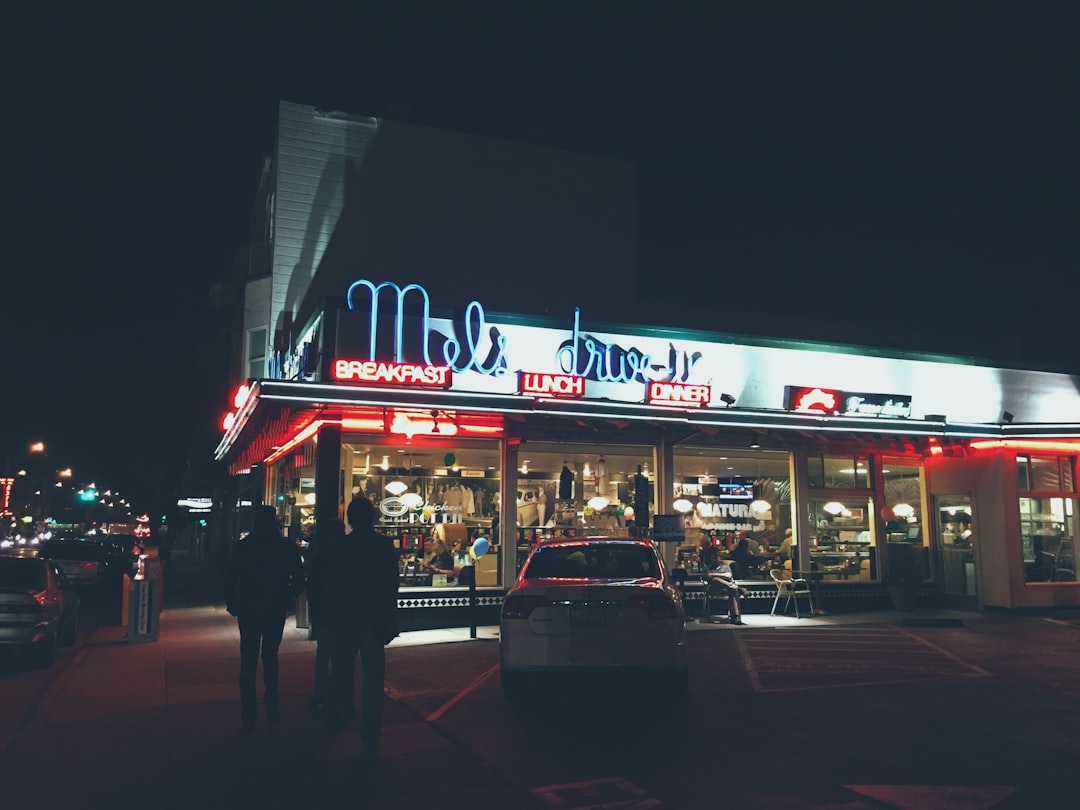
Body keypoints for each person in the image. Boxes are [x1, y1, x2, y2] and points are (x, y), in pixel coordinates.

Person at [315, 497, 400, 755]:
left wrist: (327, 617)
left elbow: (331, 585)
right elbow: (391, 585)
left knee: (341, 673)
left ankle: (332, 720)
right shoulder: (384, 546)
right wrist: (389, 617)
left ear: (350, 519)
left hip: (346, 619)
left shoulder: (340, 546)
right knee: (374, 679)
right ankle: (371, 732)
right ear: (372, 517)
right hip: (374, 619)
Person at [224, 506, 305, 734]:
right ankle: (271, 702)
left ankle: (249, 714)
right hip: (274, 608)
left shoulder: (244, 547)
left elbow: (230, 577)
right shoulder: (285, 547)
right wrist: (287, 596)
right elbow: (299, 579)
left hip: (249, 607)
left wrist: (233, 603)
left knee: (248, 660)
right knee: (270, 656)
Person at [303, 518, 344, 715]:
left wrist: (315, 606)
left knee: (324, 654)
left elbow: (313, 584)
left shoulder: (321, 554)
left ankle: (322, 693)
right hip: (345, 612)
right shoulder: (347, 552)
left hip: (325, 611)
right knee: (341, 656)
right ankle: (341, 697)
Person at [701, 545, 745, 625]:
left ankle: (736, 617)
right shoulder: (708, 568)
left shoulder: (726, 567)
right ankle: (737, 588)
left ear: (720, 559)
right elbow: (709, 576)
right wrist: (720, 576)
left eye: (716, 558)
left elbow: (729, 576)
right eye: (713, 558)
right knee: (716, 580)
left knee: (732, 591)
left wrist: (715, 574)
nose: (714, 560)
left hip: (726, 589)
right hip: (713, 589)